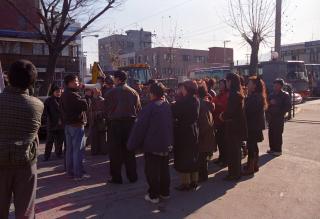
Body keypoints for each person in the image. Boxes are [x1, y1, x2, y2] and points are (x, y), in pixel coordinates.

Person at [0, 60, 44, 219]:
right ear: (32, 80)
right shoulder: (38, 105)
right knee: (25, 211)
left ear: (8, 77)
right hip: (25, 162)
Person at [128, 82, 173, 204]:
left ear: (152, 93)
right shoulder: (166, 106)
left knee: (152, 171)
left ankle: (154, 195)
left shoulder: (149, 108)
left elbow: (139, 128)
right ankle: (165, 192)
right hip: (166, 144)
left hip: (152, 145)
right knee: (164, 170)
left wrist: (131, 144)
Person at [104, 70, 141, 184]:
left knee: (115, 153)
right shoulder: (134, 92)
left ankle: (116, 177)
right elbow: (138, 109)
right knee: (129, 151)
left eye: (114, 78)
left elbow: (106, 109)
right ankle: (132, 176)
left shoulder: (111, 92)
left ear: (117, 79)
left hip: (115, 124)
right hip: (130, 124)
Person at [172, 80, 200, 191]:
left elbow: (174, 112)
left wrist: (173, 104)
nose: (180, 89)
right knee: (193, 156)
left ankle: (185, 183)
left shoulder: (183, 101)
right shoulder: (196, 100)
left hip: (183, 132)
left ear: (187, 89)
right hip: (194, 130)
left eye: (182, 88)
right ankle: (194, 181)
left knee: (184, 157)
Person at [60, 74, 89, 181]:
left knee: (70, 150)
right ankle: (78, 174)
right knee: (78, 150)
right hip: (76, 125)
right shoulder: (73, 95)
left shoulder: (64, 94)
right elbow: (85, 106)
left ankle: (70, 172)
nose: (78, 83)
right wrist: (85, 95)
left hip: (68, 125)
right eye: (75, 81)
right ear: (70, 83)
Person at [220, 73, 247, 181]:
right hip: (237, 126)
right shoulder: (237, 93)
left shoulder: (233, 94)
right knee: (235, 150)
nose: (226, 83)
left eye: (226, 81)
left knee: (233, 151)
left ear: (230, 81)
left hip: (233, 127)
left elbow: (230, 112)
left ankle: (234, 174)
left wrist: (222, 116)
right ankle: (236, 172)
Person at [242, 76, 268, 175]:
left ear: (254, 86)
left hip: (253, 125)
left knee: (251, 146)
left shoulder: (256, 96)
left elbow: (249, 110)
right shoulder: (256, 95)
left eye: (249, 83)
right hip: (255, 125)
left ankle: (251, 167)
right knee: (253, 146)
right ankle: (253, 165)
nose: (247, 85)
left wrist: (246, 98)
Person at [266, 78, 291, 156]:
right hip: (271, 117)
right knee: (271, 133)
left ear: (281, 86)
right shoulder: (271, 94)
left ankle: (278, 150)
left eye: (277, 85)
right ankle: (272, 149)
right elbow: (266, 104)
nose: (275, 86)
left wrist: (277, 106)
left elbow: (288, 107)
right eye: (274, 85)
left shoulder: (285, 95)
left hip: (279, 117)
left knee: (278, 134)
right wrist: (270, 103)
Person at [197, 83, 216, 182]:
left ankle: (203, 176)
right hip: (209, 132)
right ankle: (204, 174)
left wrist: (199, 133)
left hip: (203, 133)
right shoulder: (208, 103)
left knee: (201, 156)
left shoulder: (200, 104)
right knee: (204, 156)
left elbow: (203, 121)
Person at [43, 85, 64, 161]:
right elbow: (45, 112)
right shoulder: (48, 100)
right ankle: (46, 156)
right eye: (57, 92)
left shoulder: (62, 99)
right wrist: (48, 120)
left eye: (60, 92)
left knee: (59, 141)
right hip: (51, 123)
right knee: (49, 141)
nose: (59, 93)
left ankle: (58, 154)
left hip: (61, 124)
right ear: (53, 92)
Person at [212, 79, 229, 167]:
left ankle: (225, 159)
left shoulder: (227, 94)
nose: (220, 85)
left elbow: (226, 107)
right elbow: (213, 102)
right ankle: (221, 157)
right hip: (217, 120)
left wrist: (218, 105)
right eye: (220, 84)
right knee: (219, 141)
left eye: (222, 84)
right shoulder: (219, 94)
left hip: (223, 121)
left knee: (224, 142)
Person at [88, 88, 108, 155]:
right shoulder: (92, 100)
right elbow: (89, 111)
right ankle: (96, 151)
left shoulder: (103, 100)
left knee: (101, 136)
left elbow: (105, 111)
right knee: (95, 137)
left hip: (101, 120)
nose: (95, 94)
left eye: (96, 92)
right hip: (94, 120)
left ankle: (102, 150)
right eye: (94, 92)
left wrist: (99, 113)